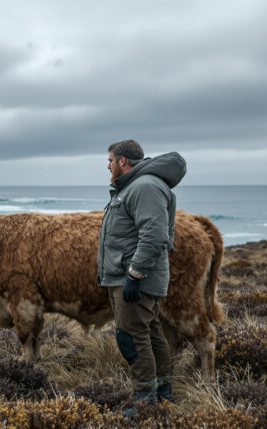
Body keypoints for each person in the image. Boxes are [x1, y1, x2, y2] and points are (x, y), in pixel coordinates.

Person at [97, 140, 186, 417]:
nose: (108, 165)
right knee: (150, 333)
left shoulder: (144, 186)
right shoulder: (135, 186)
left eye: (110, 159)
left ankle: (145, 403)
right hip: (130, 276)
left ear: (123, 161)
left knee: (130, 337)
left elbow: (154, 235)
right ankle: (163, 396)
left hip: (134, 278)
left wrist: (134, 275)